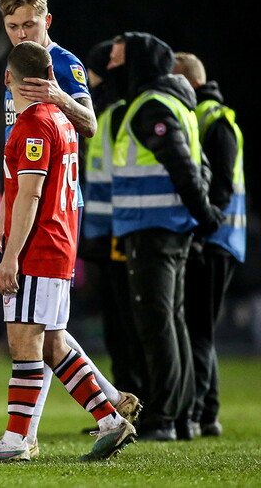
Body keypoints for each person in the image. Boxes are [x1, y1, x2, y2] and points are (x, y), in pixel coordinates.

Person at [0, 41, 136, 462]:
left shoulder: (33, 124)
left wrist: (10, 258)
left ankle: (18, 439)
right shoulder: (60, 118)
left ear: (9, 79)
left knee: (25, 344)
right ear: (51, 78)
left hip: (39, 248)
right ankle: (111, 421)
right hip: (59, 245)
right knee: (52, 345)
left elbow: (29, 195)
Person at [107, 32, 224, 441]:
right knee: (173, 322)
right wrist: (202, 213)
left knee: (157, 326)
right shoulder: (177, 104)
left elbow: (182, 165)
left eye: (118, 60)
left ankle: (165, 418)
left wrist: (205, 214)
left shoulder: (150, 105)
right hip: (171, 230)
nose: (109, 68)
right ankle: (185, 417)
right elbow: (201, 167)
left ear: (138, 64)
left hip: (153, 229)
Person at [174, 52, 245, 438]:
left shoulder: (214, 121)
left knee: (198, 329)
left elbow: (218, 188)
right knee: (199, 329)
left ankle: (200, 413)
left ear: (192, 84)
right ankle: (206, 413)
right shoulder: (209, 117)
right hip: (218, 237)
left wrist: (203, 226)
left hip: (215, 240)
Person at [79, 41, 143, 396]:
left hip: (120, 231)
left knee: (129, 321)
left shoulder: (117, 111)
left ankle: (139, 397)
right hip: (104, 231)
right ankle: (126, 395)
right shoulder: (106, 109)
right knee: (117, 322)